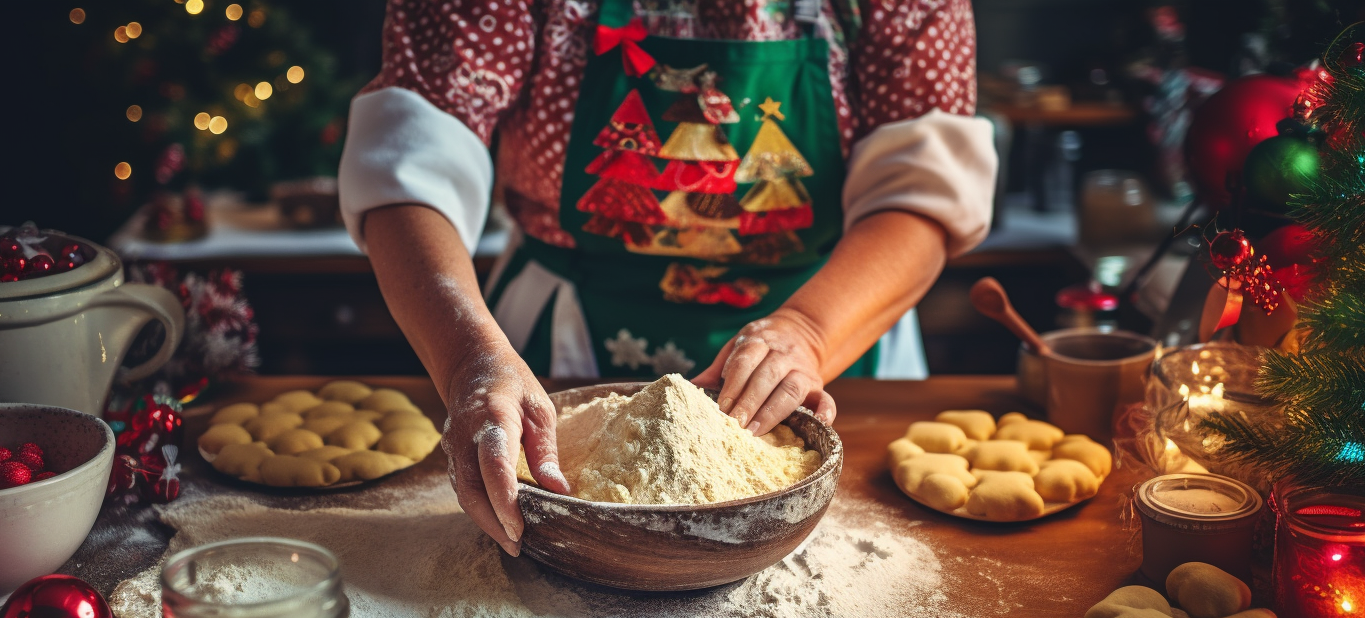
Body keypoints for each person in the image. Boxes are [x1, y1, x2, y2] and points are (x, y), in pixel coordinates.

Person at [340, 0, 996, 553]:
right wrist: (469, 365)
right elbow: (412, 155)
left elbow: (922, 191)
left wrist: (810, 331)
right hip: (554, 346)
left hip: (839, 328)